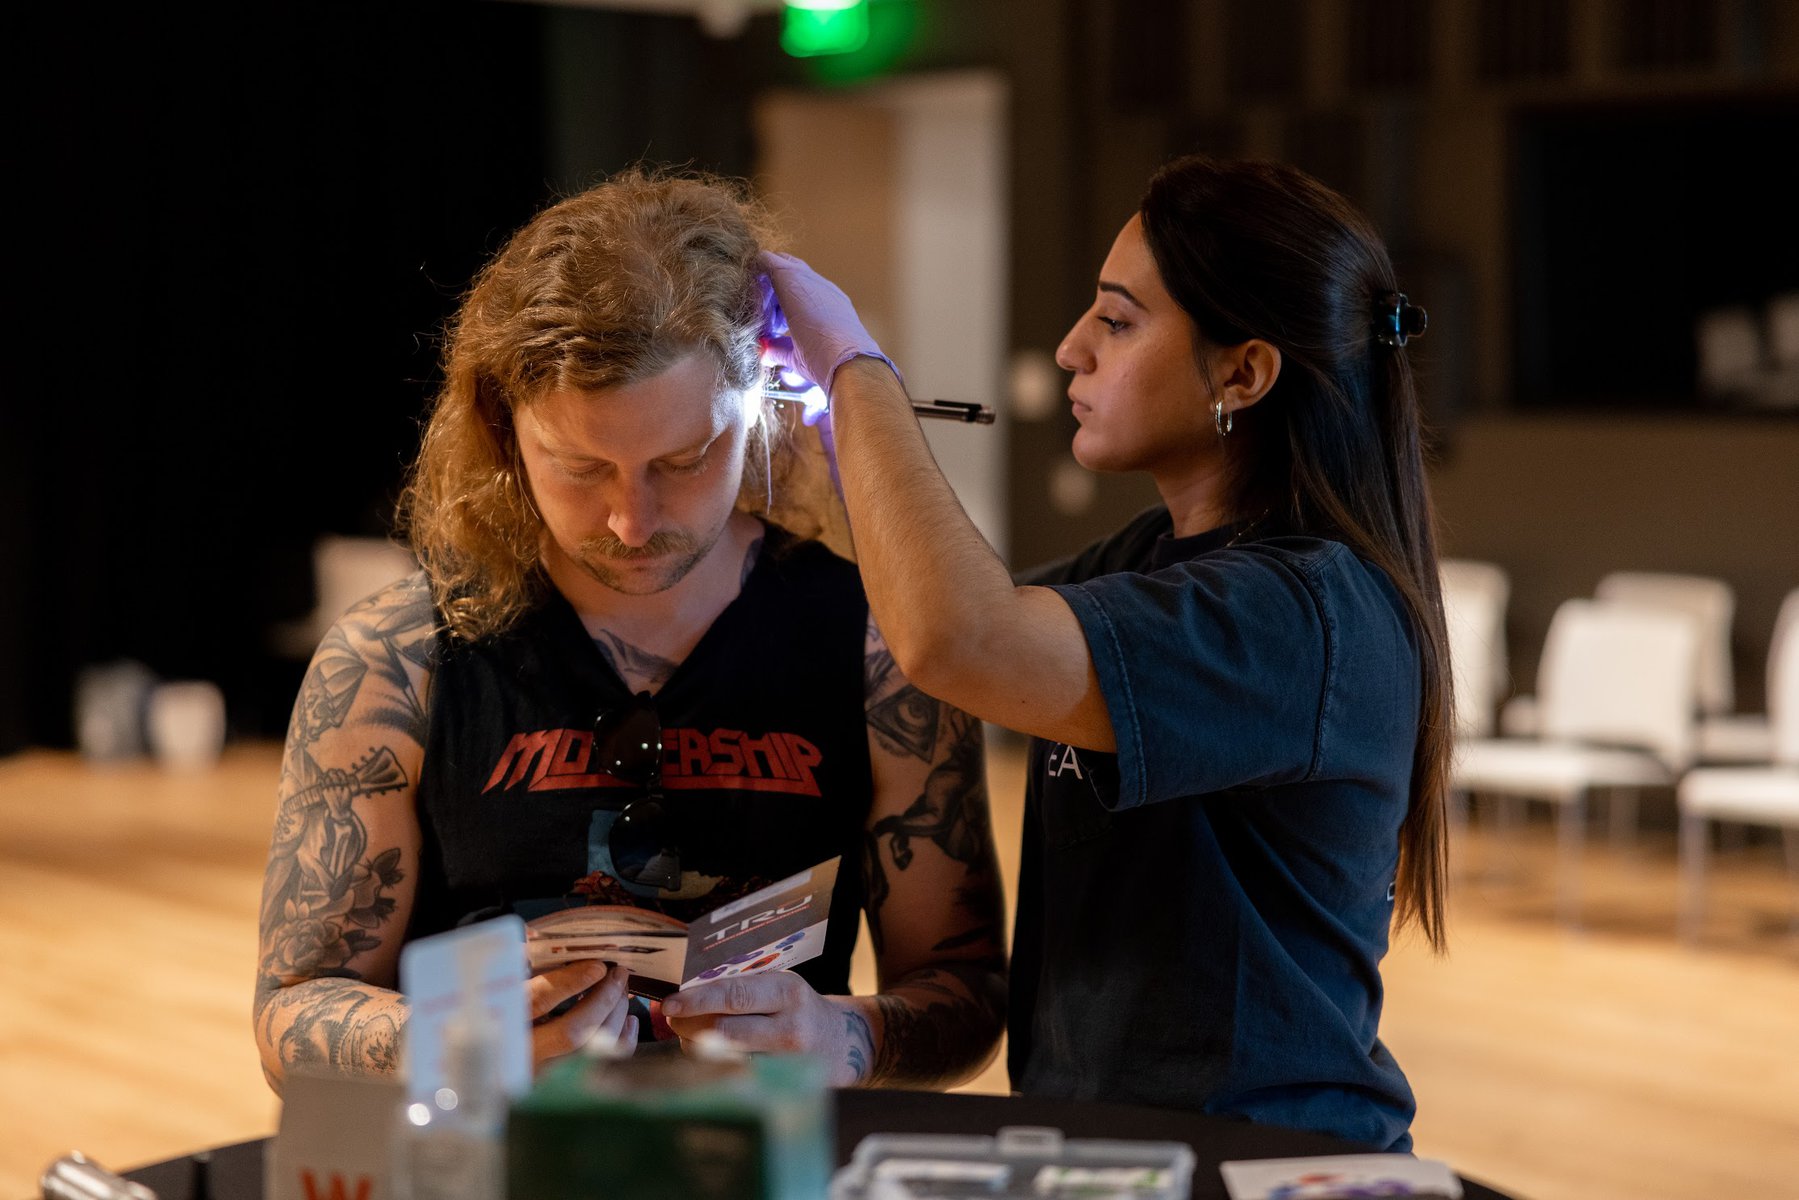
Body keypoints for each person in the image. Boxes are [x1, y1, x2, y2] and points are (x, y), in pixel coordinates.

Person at [253, 170, 1006, 1094]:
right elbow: (293, 1013)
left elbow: (964, 996)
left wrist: (840, 1037)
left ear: (764, 405)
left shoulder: (880, 646)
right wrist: (454, 1045)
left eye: (684, 460)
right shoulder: (393, 660)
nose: (631, 520)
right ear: (503, 427)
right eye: (578, 467)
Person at [760, 154, 1451, 1151]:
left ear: (1241, 373)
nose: (1068, 349)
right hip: (1105, 1147)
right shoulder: (1147, 559)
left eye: (1116, 321)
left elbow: (960, 640)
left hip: (1256, 1156)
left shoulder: (1301, 613)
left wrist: (854, 374)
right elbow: (918, 614)